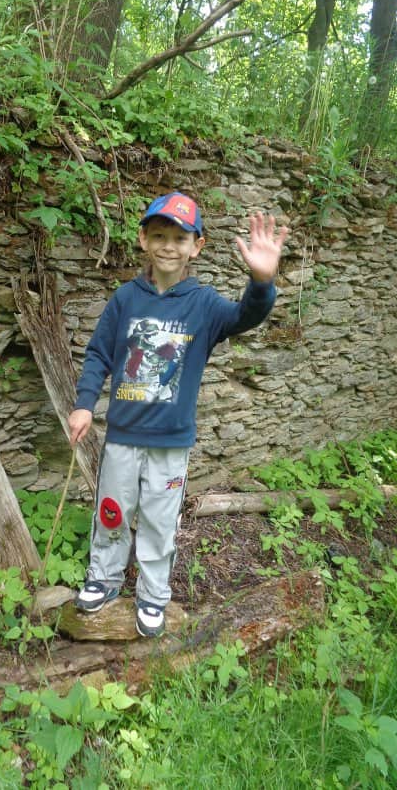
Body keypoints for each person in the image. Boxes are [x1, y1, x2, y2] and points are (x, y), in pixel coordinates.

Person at [67, 192, 288, 637]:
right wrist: (85, 404)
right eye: (159, 236)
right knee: (111, 512)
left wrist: (262, 281)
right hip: (123, 437)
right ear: (143, 240)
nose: (169, 246)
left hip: (171, 443)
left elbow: (245, 315)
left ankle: (152, 595)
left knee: (159, 521)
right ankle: (104, 578)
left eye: (180, 238)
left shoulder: (203, 305)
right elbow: (98, 354)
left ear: (196, 246)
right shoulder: (125, 298)